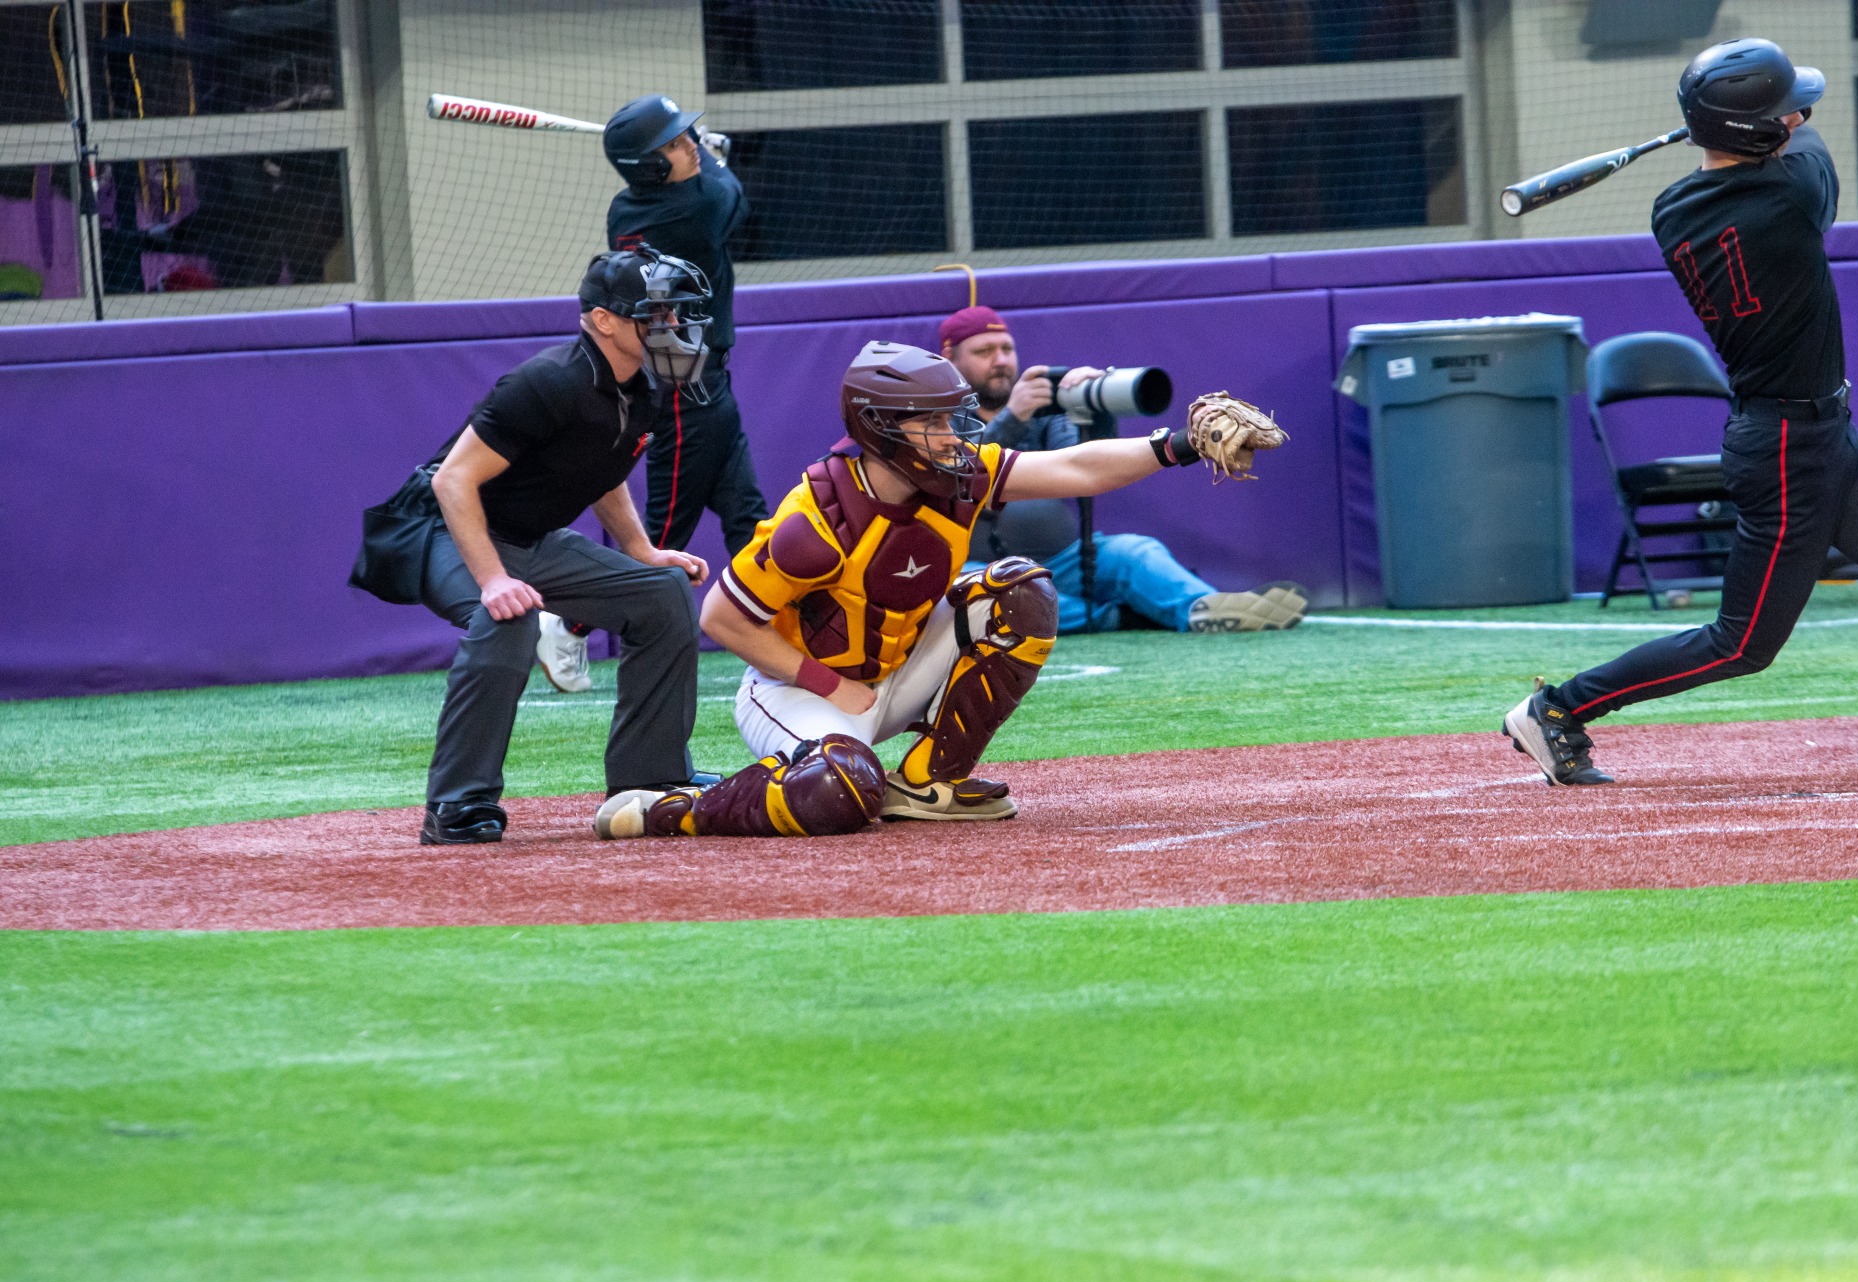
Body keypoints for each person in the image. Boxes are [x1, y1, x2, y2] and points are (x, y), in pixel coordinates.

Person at [1503, 38, 1858, 786]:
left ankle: (1560, 709)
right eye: (1783, 111)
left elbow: (1770, 147)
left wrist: (1743, 124)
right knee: (1742, 644)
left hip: (1823, 433)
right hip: (1786, 449)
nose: (1798, 117)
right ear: (1757, 132)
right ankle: (1558, 709)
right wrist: (1772, 125)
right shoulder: (1793, 194)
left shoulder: (1673, 210)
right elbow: (1810, 144)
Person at [589, 340, 1285, 839]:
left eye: (954, 419)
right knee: (841, 791)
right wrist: (830, 688)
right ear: (881, 429)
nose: (953, 436)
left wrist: (1178, 445)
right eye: (934, 422)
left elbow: (1077, 468)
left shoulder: (959, 474)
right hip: (801, 689)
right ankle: (676, 809)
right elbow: (722, 618)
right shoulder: (817, 520)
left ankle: (929, 782)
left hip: (894, 668)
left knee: (1019, 589)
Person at [415, 248, 714, 844]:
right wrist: (493, 580)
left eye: (675, 314)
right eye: (656, 314)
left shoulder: (642, 387)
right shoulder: (547, 381)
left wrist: (641, 550)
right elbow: (452, 481)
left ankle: (648, 778)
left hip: (528, 539)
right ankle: (456, 803)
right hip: (437, 529)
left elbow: (601, 469)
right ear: (604, 320)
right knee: (508, 617)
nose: (673, 326)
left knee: (663, 593)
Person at [534, 93, 771, 694]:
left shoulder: (629, 204)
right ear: (648, 166)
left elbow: (717, 187)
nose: (688, 145)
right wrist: (714, 156)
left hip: (695, 373)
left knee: (747, 517)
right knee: (666, 533)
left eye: (687, 137)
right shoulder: (693, 207)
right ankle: (569, 622)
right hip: (684, 383)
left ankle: (776, 631)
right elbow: (732, 197)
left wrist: (700, 154)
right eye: (674, 142)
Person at [940, 304, 1309, 634]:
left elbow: (1078, 463)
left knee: (1135, 552)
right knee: (975, 590)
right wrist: (1013, 416)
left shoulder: (1043, 406)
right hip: (981, 564)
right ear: (950, 358)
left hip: (1065, 559)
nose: (1001, 360)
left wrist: (1090, 411)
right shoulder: (940, 418)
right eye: (984, 352)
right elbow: (958, 475)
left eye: (1007, 349)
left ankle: (1205, 608)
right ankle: (1117, 617)